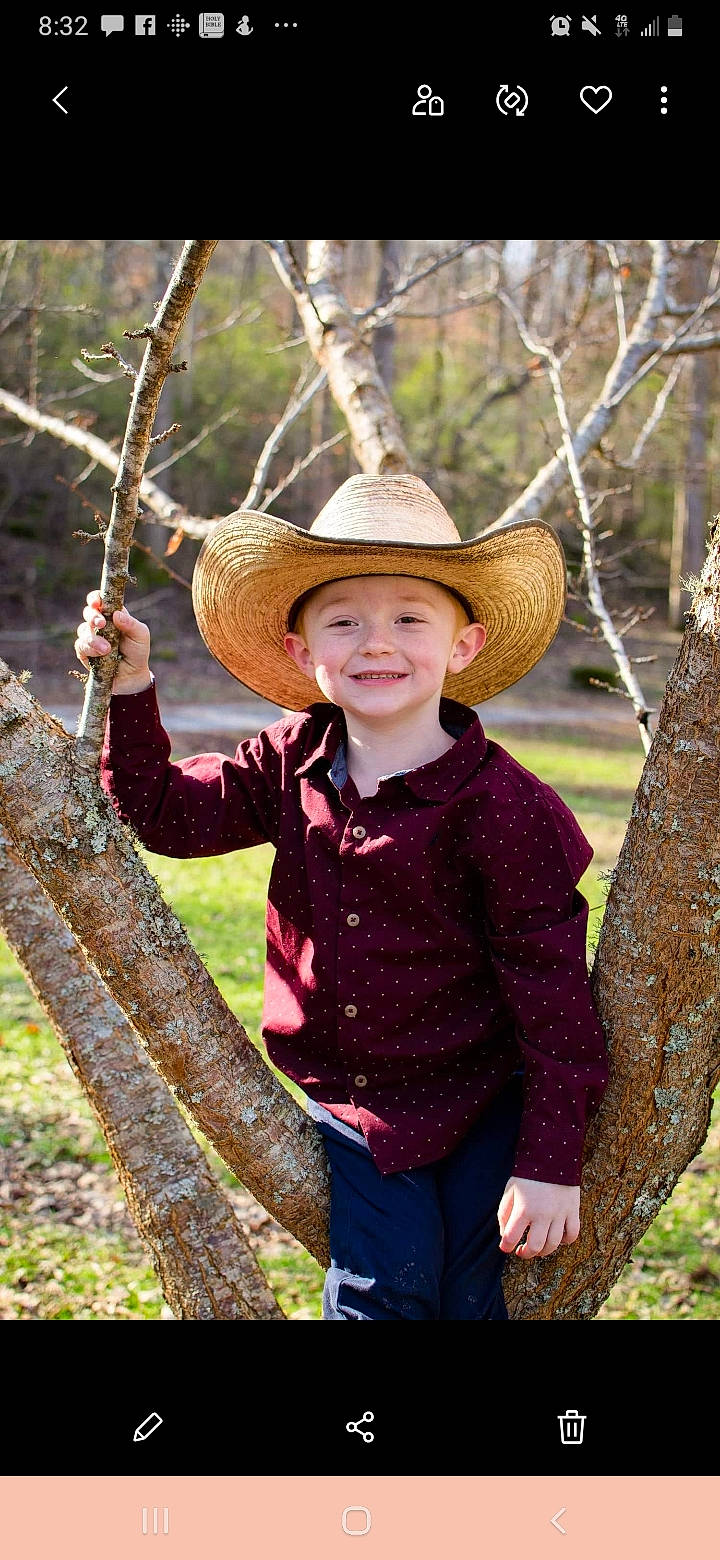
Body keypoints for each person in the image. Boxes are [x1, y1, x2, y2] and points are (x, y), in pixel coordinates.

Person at [75, 473, 609, 1321]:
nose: (376, 643)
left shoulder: (508, 811)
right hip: (353, 1099)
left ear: (463, 646)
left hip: (483, 1094)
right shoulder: (290, 759)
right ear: (302, 652)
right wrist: (131, 688)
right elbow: (167, 814)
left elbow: (553, 996)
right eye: (344, 621)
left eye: (410, 618)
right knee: (379, 1293)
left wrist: (549, 1163)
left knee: (476, 1299)